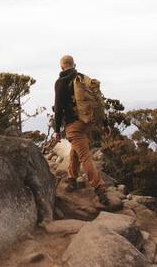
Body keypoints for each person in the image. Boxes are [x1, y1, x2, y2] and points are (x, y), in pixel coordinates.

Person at [52, 55, 109, 205]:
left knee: (85, 156)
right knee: (76, 150)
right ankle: (72, 178)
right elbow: (98, 101)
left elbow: (58, 108)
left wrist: (56, 130)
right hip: (87, 121)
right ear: (73, 64)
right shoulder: (83, 79)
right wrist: (104, 122)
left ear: (62, 67)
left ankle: (100, 189)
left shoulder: (61, 82)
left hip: (73, 125)